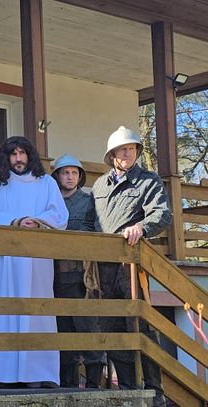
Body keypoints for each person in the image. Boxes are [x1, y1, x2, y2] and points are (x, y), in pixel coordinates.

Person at [83, 126, 171, 407]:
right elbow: (88, 222)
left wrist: (141, 227)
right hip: (102, 267)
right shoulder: (99, 185)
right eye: (123, 149)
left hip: (131, 264)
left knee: (142, 326)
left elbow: (162, 214)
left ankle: (155, 392)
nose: (128, 153)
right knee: (112, 326)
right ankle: (128, 389)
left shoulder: (148, 181)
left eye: (132, 148)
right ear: (112, 155)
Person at [0, 136, 68, 388]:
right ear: (6, 157)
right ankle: (4, 374)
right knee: (6, 311)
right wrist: (16, 221)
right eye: (13, 154)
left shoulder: (47, 183)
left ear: (30, 155)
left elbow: (59, 214)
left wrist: (36, 221)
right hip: (6, 258)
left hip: (37, 257)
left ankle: (38, 374)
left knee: (37, 312)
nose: (18, 159)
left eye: (22, 153)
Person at [51, 154, 105, 388]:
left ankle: (94, 385)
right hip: (53, 275)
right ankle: (67, 386)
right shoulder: (50, 201)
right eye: (65, 173)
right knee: (63, 331)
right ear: (57, 176)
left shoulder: (88, 201)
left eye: (74, 173)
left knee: (86, 327)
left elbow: (96, 231)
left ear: (80, 176)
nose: (70, 177)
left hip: (82, 275)